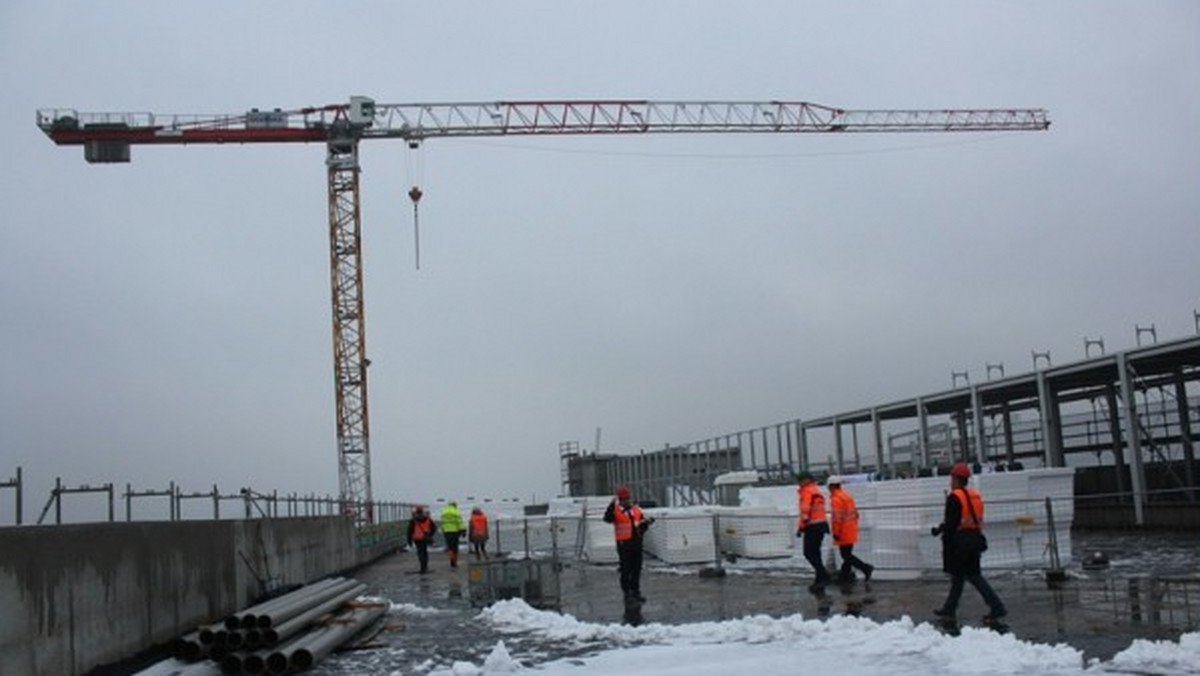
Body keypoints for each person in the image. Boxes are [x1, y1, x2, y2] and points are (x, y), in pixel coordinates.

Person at [932, 462, 1007, 622]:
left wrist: (943, 535)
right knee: (960, 577)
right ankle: (949, 609)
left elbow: (952, 523)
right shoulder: (974, 496)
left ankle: (997, 606)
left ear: (956, 479)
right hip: (974, 539)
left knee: (973, 576)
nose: (950, 481)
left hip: (960, 543)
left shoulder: (954, 497)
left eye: (952, 478)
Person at [603, 485, 654, 603]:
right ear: (620, 500)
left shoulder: (636, 510)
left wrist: (647, 523)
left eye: (628, 498)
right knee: (626, 570)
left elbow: (639, 525)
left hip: (636, 543)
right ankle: (627, 593)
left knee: (636, 569)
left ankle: (636, 592)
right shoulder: (615, 511)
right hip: (624, 544)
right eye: (624, 499)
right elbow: (607, 519)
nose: (627, 501)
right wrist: (611, 506)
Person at [828, 476, 874, 584]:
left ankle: (865, 568)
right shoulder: (847, 497)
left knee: (846, 555)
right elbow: (855, 514)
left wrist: (836, 532)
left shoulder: (836, 499)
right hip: (851, 529)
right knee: (847, 554)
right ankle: (844, 577)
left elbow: (837, 518)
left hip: (843, 531)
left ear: (830, 487)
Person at [796, 471, 831, 592]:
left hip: (812, 526)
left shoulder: (807, 491)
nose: (798, 483)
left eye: (800, 480)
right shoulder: (815, 490)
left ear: (805, 480)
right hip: (820, 525)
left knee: (809, 553)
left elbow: (805, 511)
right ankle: (819, 579)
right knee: (816, 553)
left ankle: (824, 575)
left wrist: (802, 526)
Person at [406, 506, 437, 574]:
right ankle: (425, 567)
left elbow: (409, 531)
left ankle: (422, 567)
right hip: (425, 538)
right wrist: (430, 535)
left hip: (417, 539)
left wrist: (409, 541)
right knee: (425, 552)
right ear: (422, 511)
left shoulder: (413, 520)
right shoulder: (428, 519)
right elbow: (434, 528)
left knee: (420, 553)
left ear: (416, 511)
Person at [439, 501, 466, 568]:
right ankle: (455, 562)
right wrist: (463, 530)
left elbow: (442, 522)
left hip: (447, 532)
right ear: (455, 505)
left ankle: (451, 560)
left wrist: (443, 529)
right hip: (455, 532)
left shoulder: (444, 512)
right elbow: (460, 522)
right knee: (455, 548)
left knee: (450, 547)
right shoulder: (456, 511)